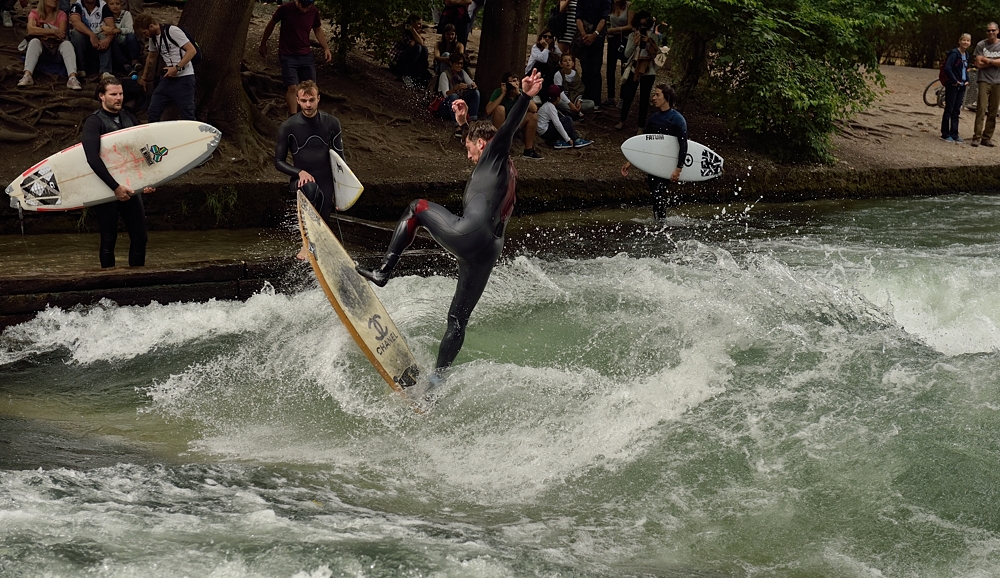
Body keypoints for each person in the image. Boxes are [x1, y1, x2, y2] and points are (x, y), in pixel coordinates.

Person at [356, 70, 544, 382]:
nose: (468, 156)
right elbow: (481, 135)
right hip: (488, 252)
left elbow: (506, 131)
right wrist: (464, 123)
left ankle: (383, 272)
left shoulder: (495, 151)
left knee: (417, 207)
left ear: (482, 144)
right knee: (457, 319)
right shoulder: (502, 165)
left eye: (468, 147)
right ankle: (437, 381)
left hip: (469, 233)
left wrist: (524, 96)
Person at [82, 76, 154, 268]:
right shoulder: (94, 122)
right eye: (113, 94)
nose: (118, 98)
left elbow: (140, 152)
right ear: (102, 96)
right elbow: (92, 158)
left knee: (140, 237)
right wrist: (115, 187)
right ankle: (108, 284)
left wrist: (148, 181)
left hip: (130, 185)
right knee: (108, 239)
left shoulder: (129, 118)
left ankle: (136, 281)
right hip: (106, 187)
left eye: (120, 94)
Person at [273, 80, 345, 260]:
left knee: (324, 219)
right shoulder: (288, 127)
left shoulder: (332, 123)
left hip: (326, 179)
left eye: (311, 100)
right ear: (297, 100)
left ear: (318, 99)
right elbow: (278, 162)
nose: (308, 105)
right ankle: (306, 244)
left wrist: (342, 191)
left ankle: (320, 247)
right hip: (301, 181)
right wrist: (299, 172)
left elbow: (340, 160)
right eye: (304, 100)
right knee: (311, 188)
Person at [620, 84, 686, 220]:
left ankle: (662, 224)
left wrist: (679, 168)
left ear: (666, 98)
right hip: (653, 163)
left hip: (668, 163)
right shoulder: (654, 118)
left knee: (657, 194)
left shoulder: (677, 119)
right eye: (654, 94)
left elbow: (683, 145)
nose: (654, 98)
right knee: (654, 194)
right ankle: (659, 222)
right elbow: (645, 142)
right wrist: (630, 160)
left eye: (657, 95)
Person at [258, 0, 332, 116]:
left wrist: (326, 48)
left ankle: (309, 116)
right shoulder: (285, 9)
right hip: (288, 55)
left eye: (308, 7)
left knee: (310, 87)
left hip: (305, 55)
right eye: (303, 6)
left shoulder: (313, 12)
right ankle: (294, 117)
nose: (305, 9)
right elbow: (271, 24)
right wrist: (263, 43)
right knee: (292, 87)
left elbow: (317, 29)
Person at [134, 12, 196, 122]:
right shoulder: (153, 38)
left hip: (184, 78)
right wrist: (144, 77)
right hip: (167, 79)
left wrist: (177, 68)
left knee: (187, 114)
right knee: (153, 110)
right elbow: (151, 57)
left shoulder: (172, 31)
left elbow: (192, 51)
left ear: (151, 26)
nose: (145, 36)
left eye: (145, 32)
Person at [17, 0, 82, 90]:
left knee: (67, 44)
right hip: (41, 51)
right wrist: (53, 31)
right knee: (34, 42)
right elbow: (31, 30)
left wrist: (41, 30)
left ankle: (72, 78)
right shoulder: (34, 13)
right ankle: (27, 75)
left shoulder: (61, 14)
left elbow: (62, 34)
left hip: (56, 51)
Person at [615, 11, 658, 131]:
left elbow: (657, 56)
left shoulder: (653, 36)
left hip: (648, 70)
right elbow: (627, 54)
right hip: (634, 68)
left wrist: (649, 43)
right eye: (640, 24)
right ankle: (622, 120)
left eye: (645, 25)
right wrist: (635, 43)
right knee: (628, 95)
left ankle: (641, 126)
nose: (642, 27)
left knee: (644, 99)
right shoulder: (632, 35)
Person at [486, 70, 542, 159]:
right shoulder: (498, 92)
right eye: (511, 81)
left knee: (533, 116)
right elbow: (489, 110)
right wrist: (502, 94)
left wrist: (520, 94)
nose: (513, 84)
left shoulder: (522, 92)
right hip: (501, 123)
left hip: (516, 122)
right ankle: (499, 147)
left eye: (515, 81)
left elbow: (534, 109)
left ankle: (529, 150)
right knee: (500, 109)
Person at [574, 0, 611, 104]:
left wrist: (594, 35)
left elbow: (603, 18)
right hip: (583, 37)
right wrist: (583, 34)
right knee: (585, 70)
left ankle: (596, 101)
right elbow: (578, 17)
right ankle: (585, 98)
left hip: (598, 38)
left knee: (595, 70)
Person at [537, 83, 593, 149]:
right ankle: (574, 140)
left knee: (563, 120)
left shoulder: (547, 105)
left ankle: (562, 139)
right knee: (567, 119)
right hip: (545, 132)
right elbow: (557, 124)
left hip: (544, 130)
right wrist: (568, 139)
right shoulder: (550, 107)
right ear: (558, 98)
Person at [972, 23, 1000, 147]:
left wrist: (987, 60)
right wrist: (994, 62)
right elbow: (978, 64)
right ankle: (976, 137)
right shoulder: (981, 44)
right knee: (981, 109)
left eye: (993, 30)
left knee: (993, 111)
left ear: (998, 31)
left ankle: (987, 137)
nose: (991, 32)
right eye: (988, 30)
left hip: (998, 81)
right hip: (984, 80)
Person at [68, 0, 113, 77]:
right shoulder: (77, 5)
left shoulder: (103, 5)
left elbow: (111, 26)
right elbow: (76, 22)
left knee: (105, 35)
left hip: (99, 41)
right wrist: (91, 35)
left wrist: (108, 39)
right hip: (84, 40)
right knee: (77, 34)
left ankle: (105, 71)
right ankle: (80, 69)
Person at [437, 52, 480, 133]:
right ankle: (458, 126)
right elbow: (446, 94)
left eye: (461, 64)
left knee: (475, 93)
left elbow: (470, 83)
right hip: (446, 106)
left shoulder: (462, 73)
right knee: (453, 97)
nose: (460, 66)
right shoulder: (444, 75)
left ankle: (472, 121)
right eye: (457, 64)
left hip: (459, 103)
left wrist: (473, 86)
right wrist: (455, 89)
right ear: (451, 63)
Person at [941, 33, 971, 143]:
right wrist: (954, 81)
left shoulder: (966, 55)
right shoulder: (954, 54)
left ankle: (954, 133)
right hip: (953, 85)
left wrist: (967, 80)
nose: (965, 42)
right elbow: (948, 68)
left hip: (962, 85)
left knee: (956, 110)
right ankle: (945, 133)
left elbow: (965, 68)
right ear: (959, 41)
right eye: (964, 40)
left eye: (968, 40)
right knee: (949, 108)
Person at [603, 0, 633, 107]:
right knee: (610, 69)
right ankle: (610, 97)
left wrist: (615, 29)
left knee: (624, 69)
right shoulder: (611, 6)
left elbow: (631, 26)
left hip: (625, 40)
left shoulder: (629, 6)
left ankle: (622, 98)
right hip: (612, 40)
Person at [388, 13, 431, 87]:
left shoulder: (414, 32)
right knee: (418, 48)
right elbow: (413, 44)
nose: (420, 26)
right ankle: (406, 75)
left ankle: (422, 72)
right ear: (412, 23)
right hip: (397, 62)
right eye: (418, 24)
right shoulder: (403, 32)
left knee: (424, 49)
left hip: (406, 58)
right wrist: (414, 32)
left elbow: (422, 44)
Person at [101, 0, 139, 74]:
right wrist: (102, 27)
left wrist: (118, 30)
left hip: (126, 42)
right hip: (116, 46)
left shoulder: (126, 14)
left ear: (121, 5)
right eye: (111, 4)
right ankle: (125, 65)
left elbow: (130, 29)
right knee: (111, 41)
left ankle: (135, 61)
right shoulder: (107, 16)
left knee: (131, 36)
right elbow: (100, 29)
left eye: (117, 4)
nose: (115, 6)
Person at [553, 53, 595, 119]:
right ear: (561, 64)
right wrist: (570, 104)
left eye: (569, 60)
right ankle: (575, 112)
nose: (568, 62)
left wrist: (579, 100)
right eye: (565, 61)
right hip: (564, 100)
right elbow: (559, 91)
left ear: (573, 63)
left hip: (575, 99)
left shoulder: (575, 73)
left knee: (591, 103)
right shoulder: (558, 75)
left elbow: (579, 89)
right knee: (558, 102)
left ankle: (572, 111)